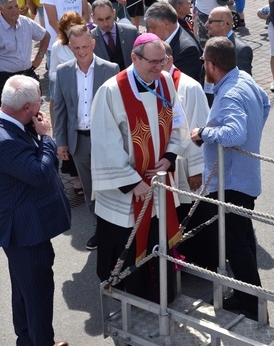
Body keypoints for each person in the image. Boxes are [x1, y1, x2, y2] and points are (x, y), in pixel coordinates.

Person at [90, 33, 190, 302]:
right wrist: (132, 181)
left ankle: (164, 297)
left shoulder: (166, 81)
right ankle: (131, 300)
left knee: (159, 244)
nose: (159, 68)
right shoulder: (112, 91)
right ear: (134, 58)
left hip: (159, 184)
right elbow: (104, 143)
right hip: (128, 193)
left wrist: (169, 156)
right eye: (153, 62)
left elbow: (178, 122)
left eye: (163, 61)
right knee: (128, 247)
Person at [0, 75, 71, 346]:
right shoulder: (3, 139)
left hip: (26, 227)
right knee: (38, 294)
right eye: (38, 101)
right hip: (25, 231)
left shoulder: (11, 123)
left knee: (25, 292)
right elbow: (41, 174)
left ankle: (27, 340)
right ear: (28, 108)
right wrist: (46, 139)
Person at [191, 37, 270, 321]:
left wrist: (203, 133)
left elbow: (235, 133)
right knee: (244, 240)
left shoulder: (229, 94)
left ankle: (252, 304)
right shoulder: (245, 79)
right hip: (243, 177)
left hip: (231, 182)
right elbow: (265, 103)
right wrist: (255, 137)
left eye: (203, 62)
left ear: (211, 65)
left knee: (237, 245)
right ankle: (249, 295)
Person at [54, 25, 119, 250]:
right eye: (76, 48)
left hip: (104, 140)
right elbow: (60, 109)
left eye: (85, 46)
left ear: (93, 44)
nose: (81, 52)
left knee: (108, 184)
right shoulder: (63, 72)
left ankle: (114, 226)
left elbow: (118, 108)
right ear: (70, 47)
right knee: (90, 187)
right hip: (78, 141)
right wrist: (60, 141)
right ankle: (98, 227)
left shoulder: (110, 69)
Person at [160, 41, 216, 269]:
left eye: (159, 61)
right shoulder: (154, 84)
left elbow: (199, 126)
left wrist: (197, 170)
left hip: (186, 166)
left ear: (170, 60)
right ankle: (181, 260)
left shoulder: (189, 86)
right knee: (176, 213)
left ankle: (205, 263)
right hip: (167, 164)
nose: (154, 66)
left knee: (195, 213)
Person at [0, 0, 50, 107]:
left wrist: (39, 58)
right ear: (1, 9)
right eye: (10, 8)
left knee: (34, 115)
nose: (15, 11)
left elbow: (46, 36)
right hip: (7, 80)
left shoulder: (26, 22)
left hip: (28, 76)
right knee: (12, 118)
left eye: (16, 6)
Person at [49, 12, 86, 197]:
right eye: (67, 28)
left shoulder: (87, 42)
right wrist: (69, 73)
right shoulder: (58, 47)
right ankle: (78, 178)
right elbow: (51, 74)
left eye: (74, 26)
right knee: (73, 136)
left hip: (86, 96)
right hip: (68, 95)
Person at [145, 1, 203, 84]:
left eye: (153, 27)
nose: (149, 32)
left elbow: (178, 86)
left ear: (166, 24)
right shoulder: (173, 34)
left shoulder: (187, 51)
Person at [91, 0, 139, 71]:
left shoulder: (131, 32)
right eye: (100, 20)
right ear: (93, 17)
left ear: (114, 13)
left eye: (108, 18)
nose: (105, 23)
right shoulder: (90, 38)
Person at [205, 6, 252, 76]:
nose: (206, 24)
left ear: (223, 24)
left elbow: (243, 82)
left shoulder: (240, 50)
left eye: (210, 21)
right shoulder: (211, 43)